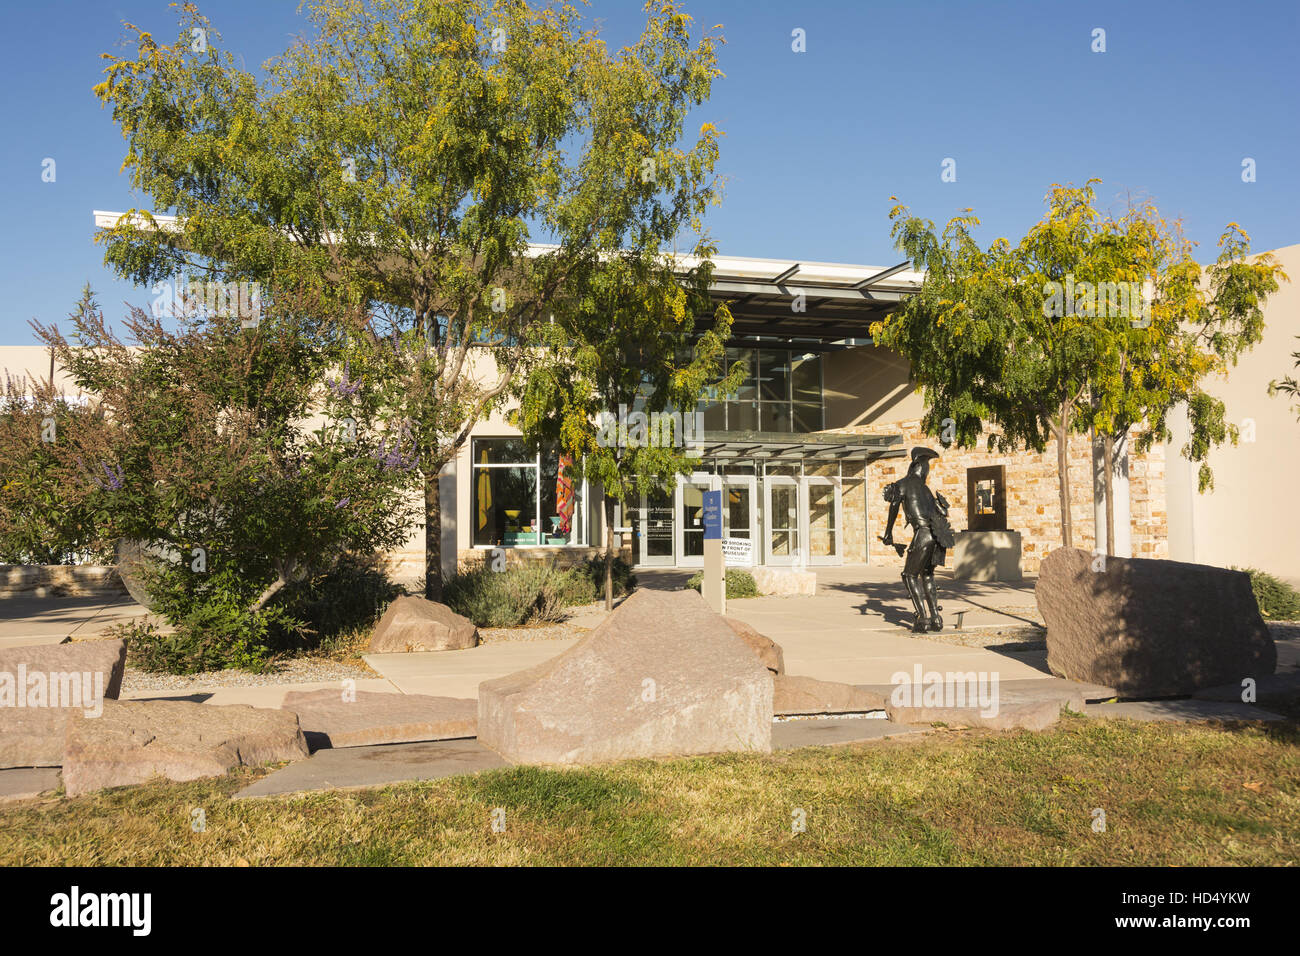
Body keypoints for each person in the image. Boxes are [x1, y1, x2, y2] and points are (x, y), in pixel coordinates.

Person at [881, 447, 956, 632]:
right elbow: (943, 512)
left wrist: (888, 533)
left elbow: (894, 506)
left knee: (909, 575)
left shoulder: (903, 485)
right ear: (920, 468)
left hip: (923, 533)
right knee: (928, 575)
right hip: (937, 535)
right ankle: (936, 618)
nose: (926, 472)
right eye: (926, 468)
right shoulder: (926, 490)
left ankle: (922, 618)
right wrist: (943, 505)